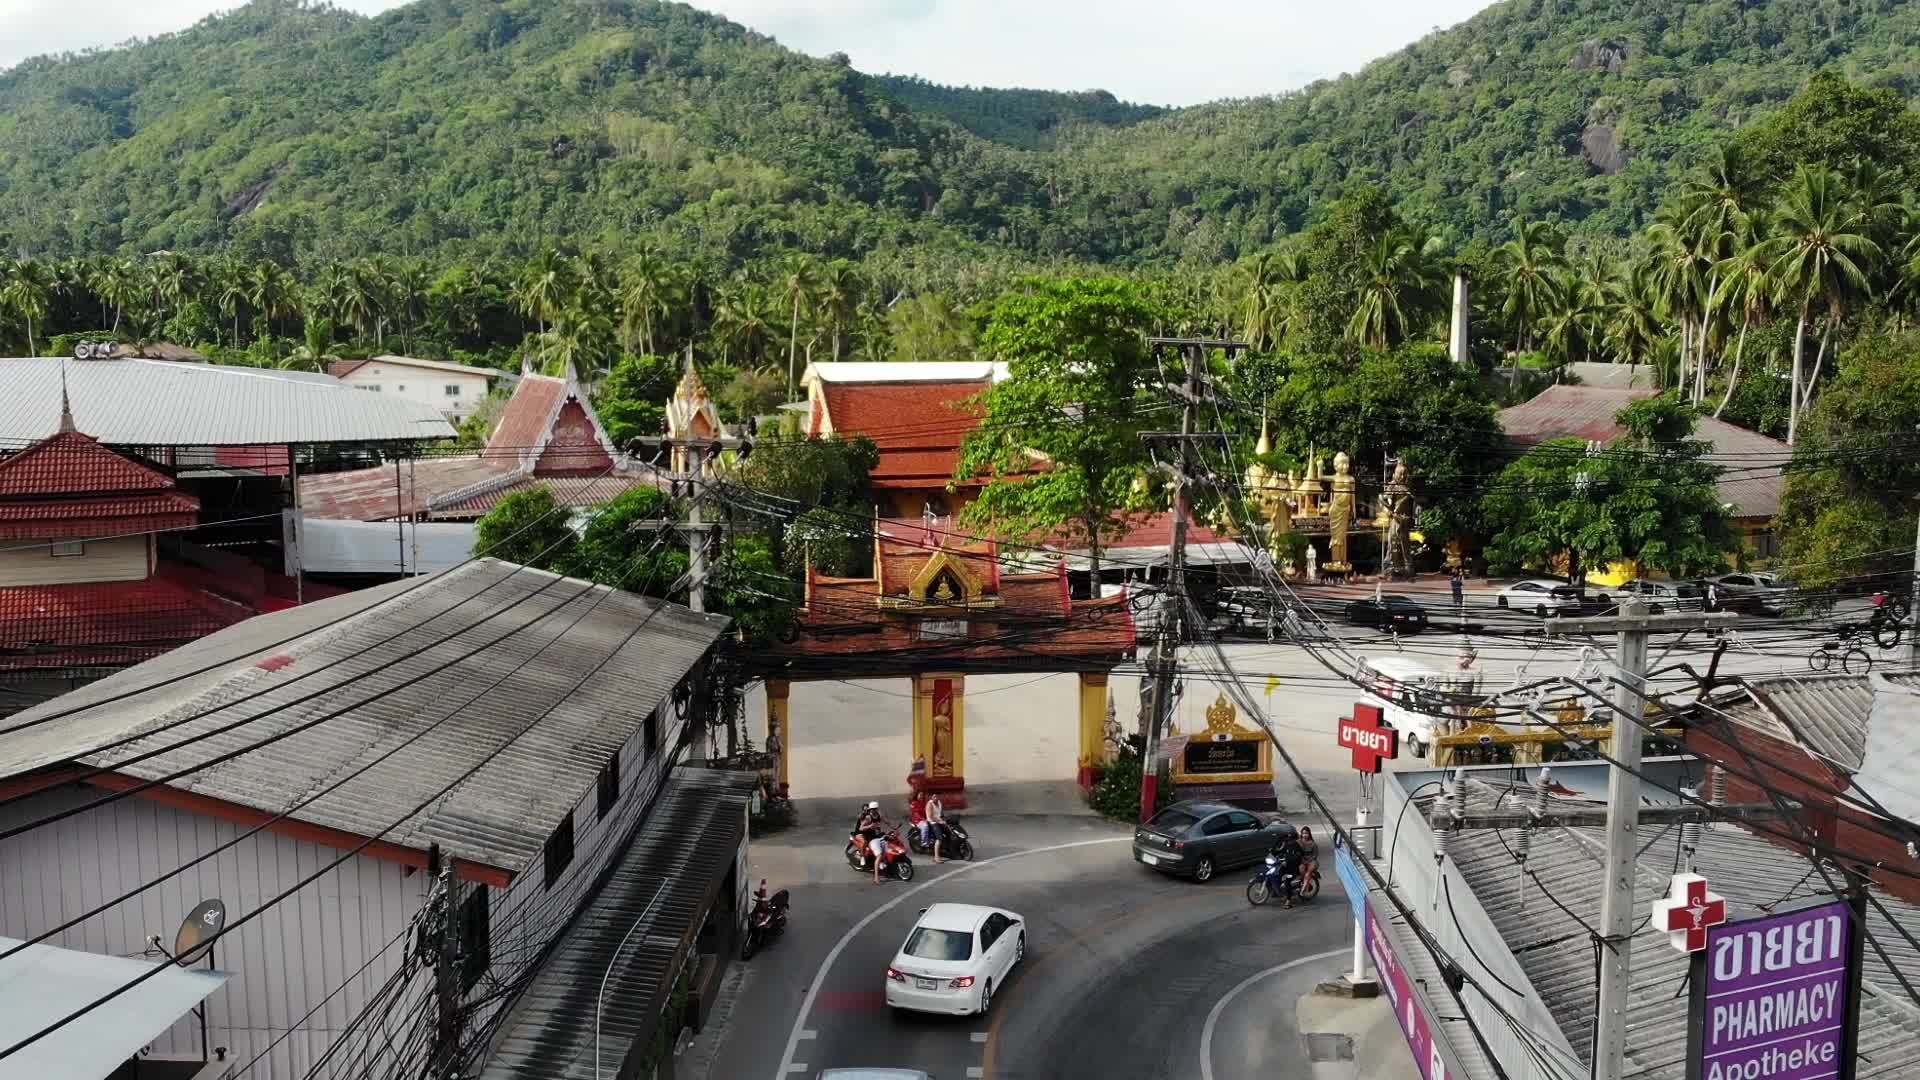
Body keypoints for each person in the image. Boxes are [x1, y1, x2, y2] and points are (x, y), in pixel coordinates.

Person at [1268, 828, 1307, 908]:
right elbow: (1281, 851)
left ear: (1294, 839)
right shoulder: (1287, 845)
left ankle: (1288, 902)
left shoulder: (1297, 847)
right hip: (1286, 867)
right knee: (1277, 874)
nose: (1289, 840)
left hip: (1294, 869)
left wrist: (1288, 861)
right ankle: (1277, 891)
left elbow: (1298, 857)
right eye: (1288, 839)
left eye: (1291, 839)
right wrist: (1272, 852)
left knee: (1287, 881)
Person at [926, 791, 947, 863]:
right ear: (932, 797)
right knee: (939, 838)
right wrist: (940, 821)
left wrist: (945, 819)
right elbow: (931, 817)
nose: (936, 798)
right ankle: (936, 857)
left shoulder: (939, 802)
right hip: (933, 823)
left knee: (948, 832)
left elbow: (941, 813)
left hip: (939, 821)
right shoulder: (930, 804)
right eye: (934, 796)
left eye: (937, 796)